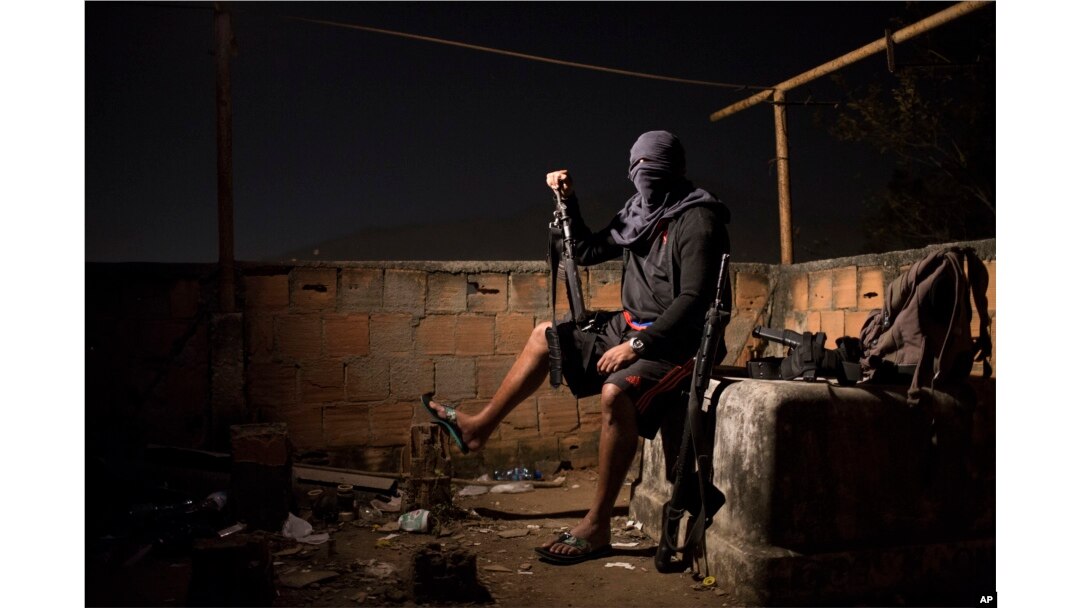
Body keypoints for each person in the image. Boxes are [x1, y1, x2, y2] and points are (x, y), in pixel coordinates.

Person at [421, 130, 731, 564]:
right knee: (544, 337)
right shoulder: (639, 211)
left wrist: (638, 345)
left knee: (615, 392)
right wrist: (567, 202)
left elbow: (694, 301)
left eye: (652, 169)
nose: (643, 176)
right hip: (631, 326)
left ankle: (598, 523)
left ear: (673, 171)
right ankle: (478, 428)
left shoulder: (697, 218)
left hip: (680, 343)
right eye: (637, 168)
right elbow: (585, 250)